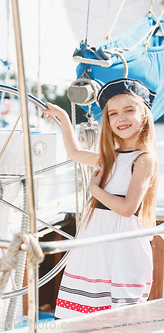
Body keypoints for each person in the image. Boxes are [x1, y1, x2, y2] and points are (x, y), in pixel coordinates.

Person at [42, 78, 158, 319]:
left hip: (121, 245)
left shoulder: (144, 159)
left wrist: (94, 191)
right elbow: (74, 153)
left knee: (116, 317)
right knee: (84, 315)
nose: (121, 118)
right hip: (96, 242)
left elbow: (127, 208)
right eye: (113, 113)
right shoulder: (110, 157)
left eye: (129, 110)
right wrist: (63, 117)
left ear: (145, 114)